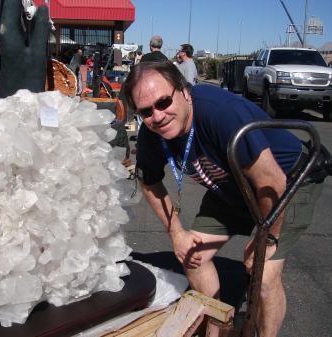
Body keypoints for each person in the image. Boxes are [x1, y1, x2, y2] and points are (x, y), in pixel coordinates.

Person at [123, 60, 327, 337]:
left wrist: (267, 239)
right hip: (234, 185)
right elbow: (149, 182)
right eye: (146, 111)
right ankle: (220, 328)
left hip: (288, 181)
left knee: (263, 277)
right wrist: (177, 233)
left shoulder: (221, 113)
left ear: (184, 91)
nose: (157, 116)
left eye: (163, 102)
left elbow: (271, 181)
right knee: (192, 255)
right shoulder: (152, 133)